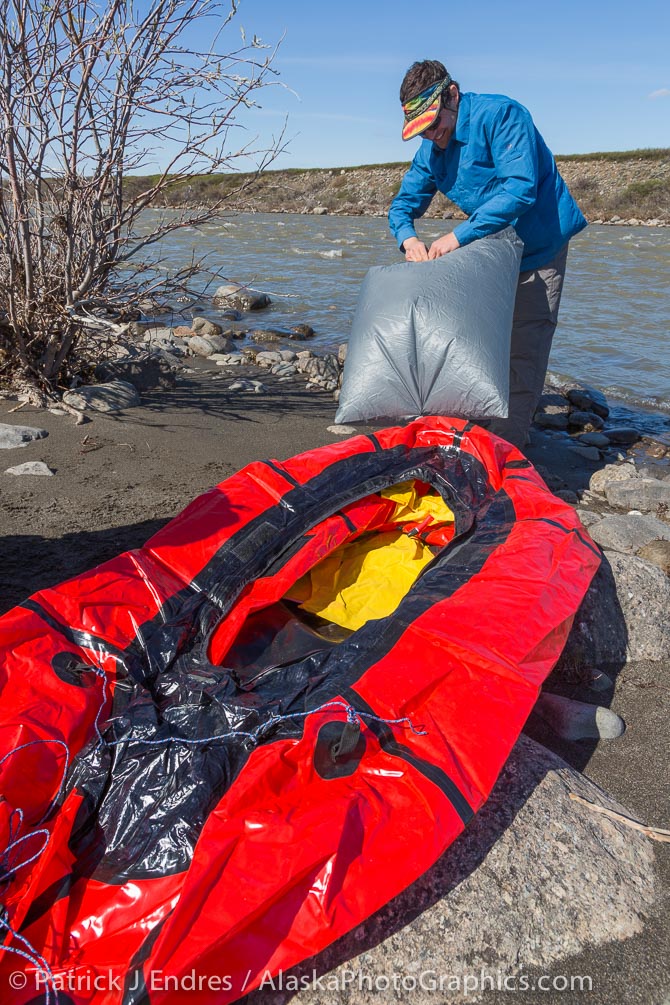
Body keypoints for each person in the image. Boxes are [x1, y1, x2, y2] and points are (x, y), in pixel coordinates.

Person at [389, 59, 587, 448]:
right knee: (478, 344)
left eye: (435, 123)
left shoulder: (502, 115)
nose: (432, 135)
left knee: (522, 349)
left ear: (452, 95)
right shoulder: (431, 149)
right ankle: (468, 433)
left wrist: (456, 237)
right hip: (491, 251)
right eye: (422, 130)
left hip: (539, 247)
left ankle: (507, 453)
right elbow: (402, 206)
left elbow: (519, 189)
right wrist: (408, 239)